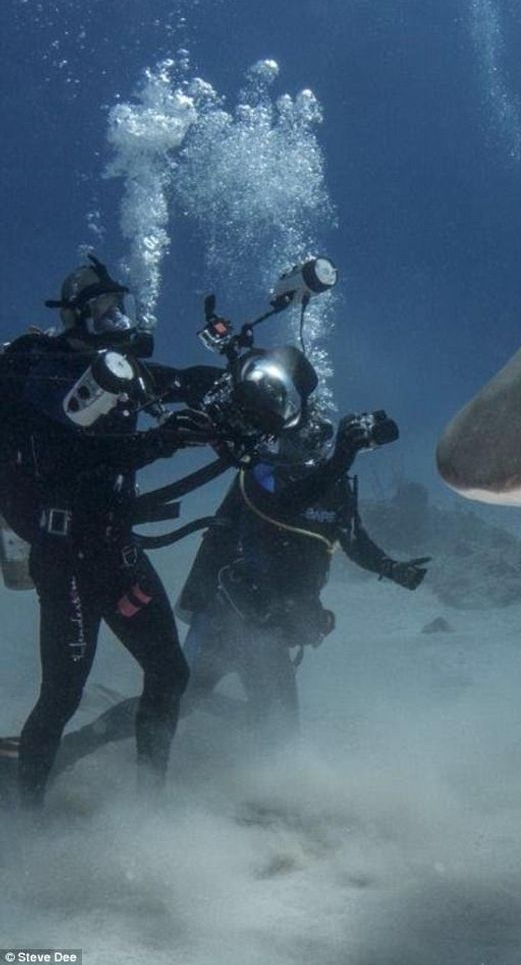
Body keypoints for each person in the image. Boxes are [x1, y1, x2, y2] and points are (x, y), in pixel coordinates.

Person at [40, 407, 430, 772]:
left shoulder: (337, 486)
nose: (313, 441)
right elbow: (283, 506)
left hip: (275, 627)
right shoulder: (260, 474)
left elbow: (353, 539)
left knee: (280, 729)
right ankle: (73, 746)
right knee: (178, 700)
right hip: (227, 618)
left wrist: (391, 568)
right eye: (303, 433)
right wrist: (340, 459)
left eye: (322, 435)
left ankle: (250, 770)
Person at [0, 256, 220, 808]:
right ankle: (28, 817)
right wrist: (159, 443)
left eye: (120, 307)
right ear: (72, 317)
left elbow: (180, 381)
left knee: (169, 673)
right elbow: (72, 461)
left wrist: (238, 381)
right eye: (101, 310)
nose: (115, 319)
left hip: (115, 550)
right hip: (65, 558)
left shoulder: (126, 373)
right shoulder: (43, 372)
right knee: (62, 694)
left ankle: (150, 808)